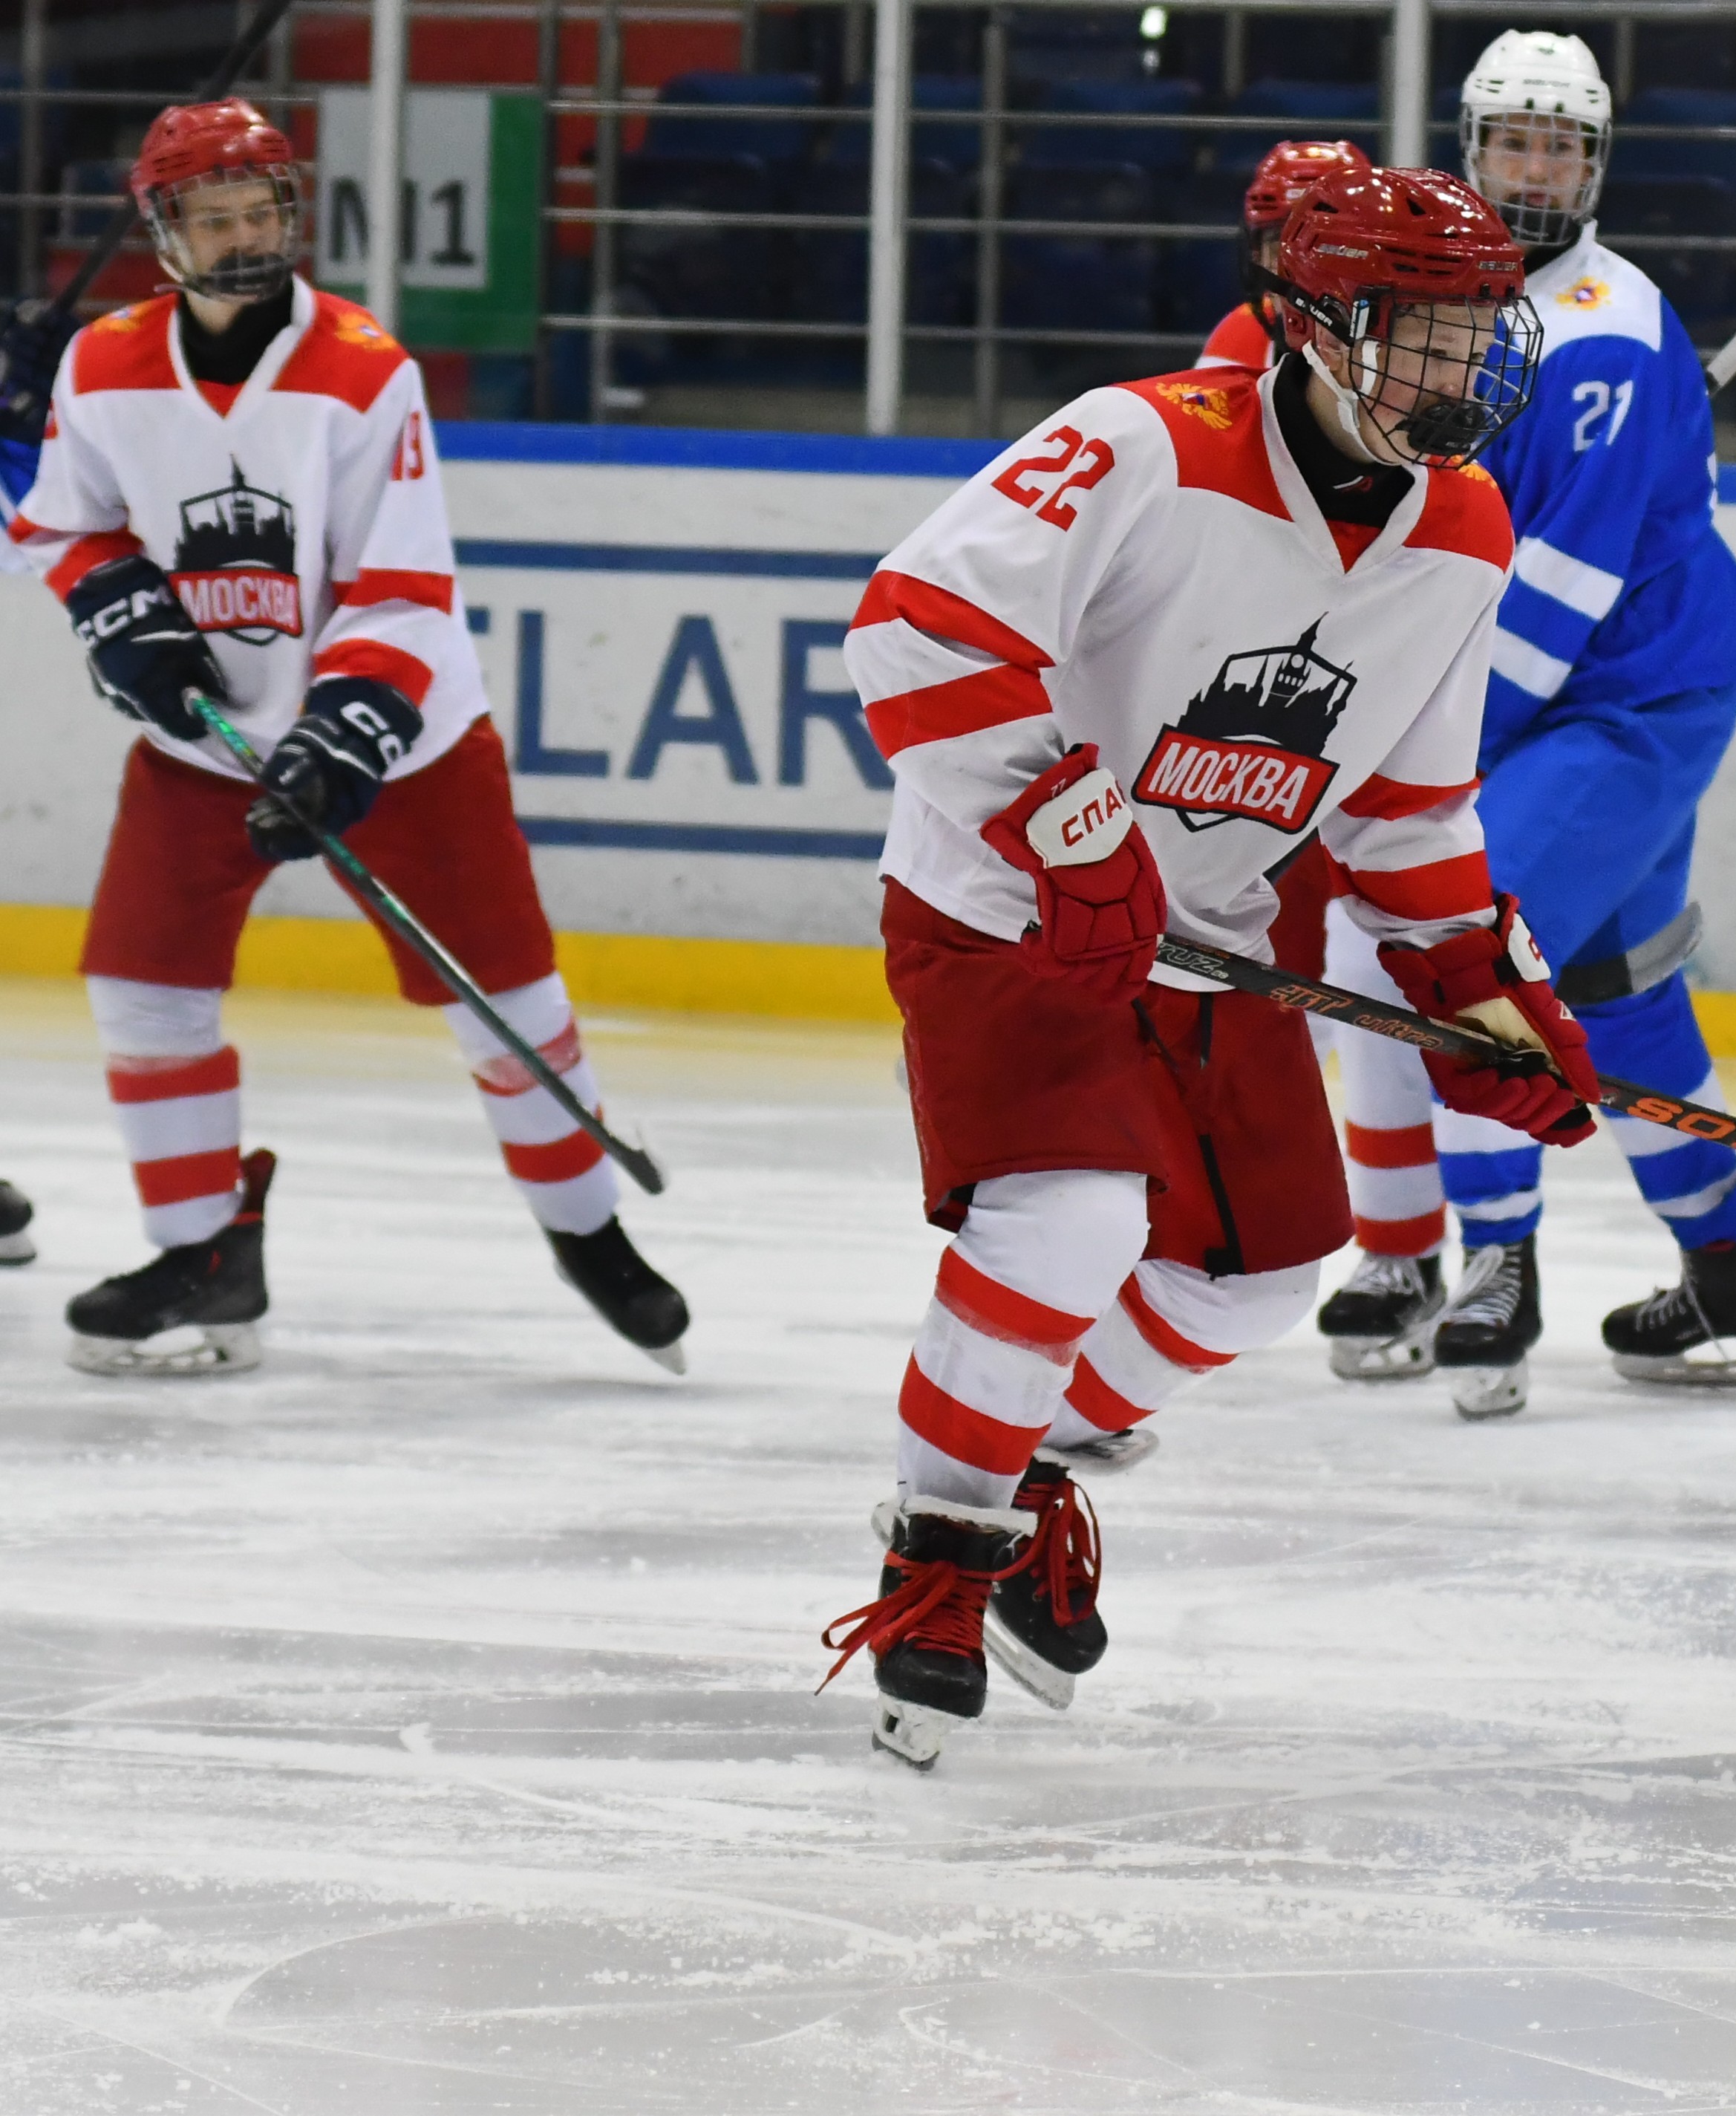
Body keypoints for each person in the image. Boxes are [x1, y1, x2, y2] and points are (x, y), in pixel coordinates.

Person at [816, 167, 1596, 1769]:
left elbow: (1401, 803)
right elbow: (913, 627)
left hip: (1213, 940)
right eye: (1416, 335)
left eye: (1475, 337)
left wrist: (1478, 983)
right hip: (1004, 911)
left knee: (1254, 1275)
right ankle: (935, 1557)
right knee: (1076, 1211)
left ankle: (1015, 1463)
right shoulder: (1145, 441)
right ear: (1312, 323)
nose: (1457, 375)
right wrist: (1063, 817)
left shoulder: (1464, 526)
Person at [8, 99, 684, 1377]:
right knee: (142, 983)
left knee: (511, 1006)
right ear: (165, 233)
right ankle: (204, 1251)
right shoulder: (102, 364)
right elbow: (61, 523)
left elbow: (400, 583)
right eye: (215, 217)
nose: (247, 237)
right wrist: (125, 617)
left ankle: (588, 1231)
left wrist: (345, 735)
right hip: (208, 740)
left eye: (262, 210)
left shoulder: (362, 368)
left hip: (406, 745)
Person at [1299, 29, 1736, 1421]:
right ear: (1471, 149)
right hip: (1556, 696)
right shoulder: (1442, 305)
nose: (1537, 170)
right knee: (1623, 1000)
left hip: (1628, 699)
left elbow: (1563, 588)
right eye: (1515, 142)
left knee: (1464, 939)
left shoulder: (1609, 333)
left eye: (1562, 147)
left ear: (1595, 164)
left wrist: (1417, 743)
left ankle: (1496, 1264)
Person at [1195, 137, 1373, 373]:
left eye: (1321, 245)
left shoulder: (1411, 342)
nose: (1297, 267)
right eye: (1278, 243)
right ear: (1257, 256)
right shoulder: (1243, 332)